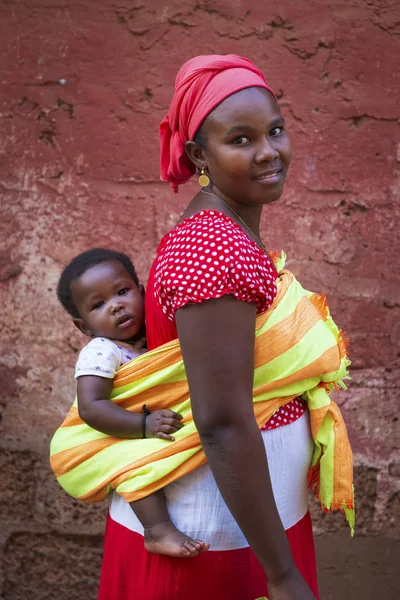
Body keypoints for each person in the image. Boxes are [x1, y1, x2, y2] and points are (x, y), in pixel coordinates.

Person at [95, 54, 352, 600]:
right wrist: (282, 577)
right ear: (198, 154)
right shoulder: (212, 245)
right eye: (240, 139)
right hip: (211, 538)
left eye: (275, 130)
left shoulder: (228, 231)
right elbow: (223, 422)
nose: (268, 152)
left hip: (250, 525)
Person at [56, 247, 209, 557]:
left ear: (142, 293)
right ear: (83, 326)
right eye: (99, 305)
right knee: (135, 466)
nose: (117, 306)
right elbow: (91, 406)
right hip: (115, 433)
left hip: (148, 424)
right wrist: (142, 426)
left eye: (122, 292)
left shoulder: (155, 336)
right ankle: (157, 530)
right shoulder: (102, 350)